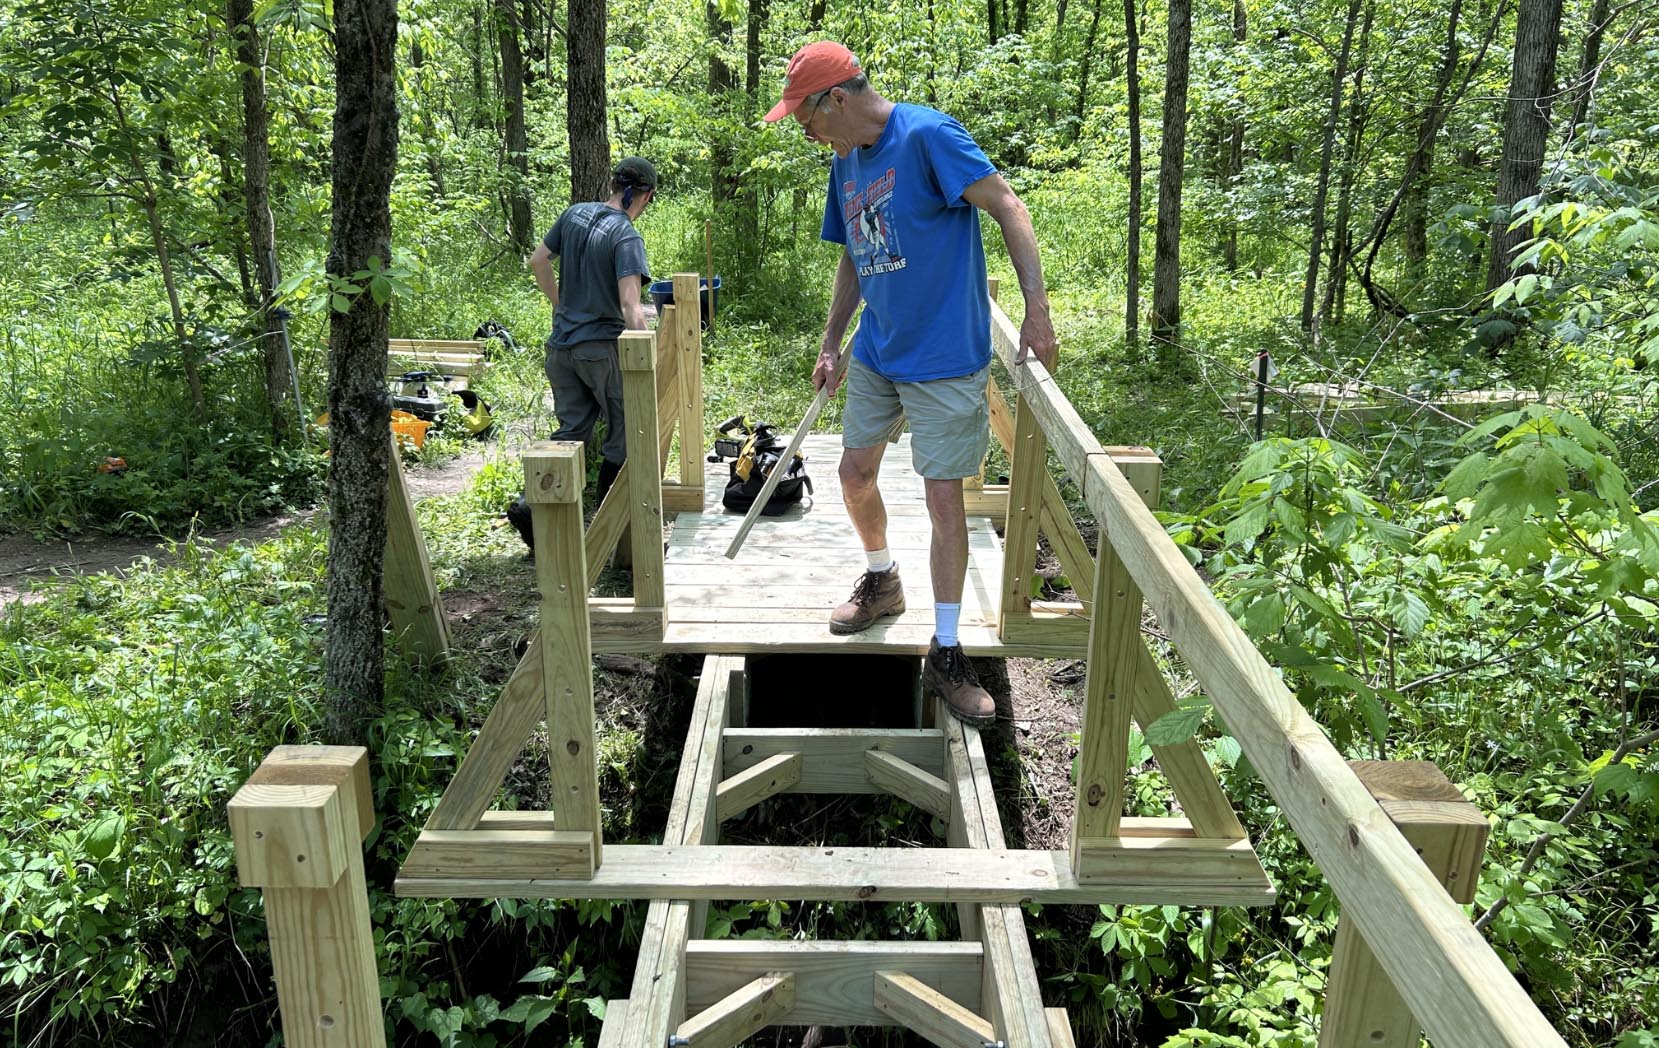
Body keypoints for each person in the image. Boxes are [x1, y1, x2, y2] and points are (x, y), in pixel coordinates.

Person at [764, 42, 1058, 727]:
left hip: (945, 357)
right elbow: (853, 255)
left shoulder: (927, 136)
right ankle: (883, 581)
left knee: (943, 502)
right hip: (878, 350)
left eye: (803, 118)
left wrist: (1036, 313)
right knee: (853, 473)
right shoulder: (846, 161)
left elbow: (1008, 206)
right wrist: (832, 340)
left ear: (833, 98)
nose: (803, 132)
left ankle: (948, 652)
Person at [506, 157, 657, 553]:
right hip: (600, 353)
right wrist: (646, 358)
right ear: (648, 196)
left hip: (562, 350)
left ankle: (533, 510)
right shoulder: (626, 236)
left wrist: (561, 305)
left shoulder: (574, 215)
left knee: (570, 435)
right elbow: (630, 305)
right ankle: (611, 533)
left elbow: (538, 260)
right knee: (622, 439)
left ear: (612, 184)